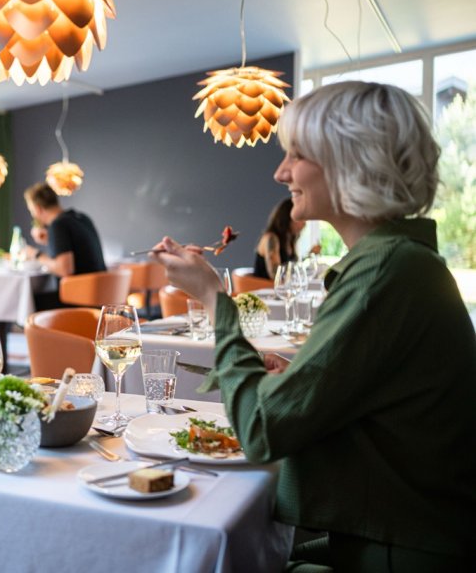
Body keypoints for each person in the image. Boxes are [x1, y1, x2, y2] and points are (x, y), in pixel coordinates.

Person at [150, 81, 476, 571]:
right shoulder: (403, 262)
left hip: (406, 544)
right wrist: (303, 375)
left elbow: (261, 430)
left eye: (297, 156)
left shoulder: (383, 274)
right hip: (407, 528)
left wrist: (214, 295)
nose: (282, 173)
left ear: (352, 161)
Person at [23, 182, 105, 309]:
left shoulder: (58, 225)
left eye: (31, 210)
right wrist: (50, 240)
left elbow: (65, 270)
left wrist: (36, 254)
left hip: (78, 302)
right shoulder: (82, 218)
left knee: (28, 302)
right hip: (100, 296)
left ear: (38, 208)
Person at [253, 197, 305, 278]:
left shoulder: (289, 239)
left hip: (280, 288)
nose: (304, 224)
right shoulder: (271, 238)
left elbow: (293, 268)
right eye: (300, 219)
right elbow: (275, 275)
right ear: (287, 217)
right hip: (264, 288)